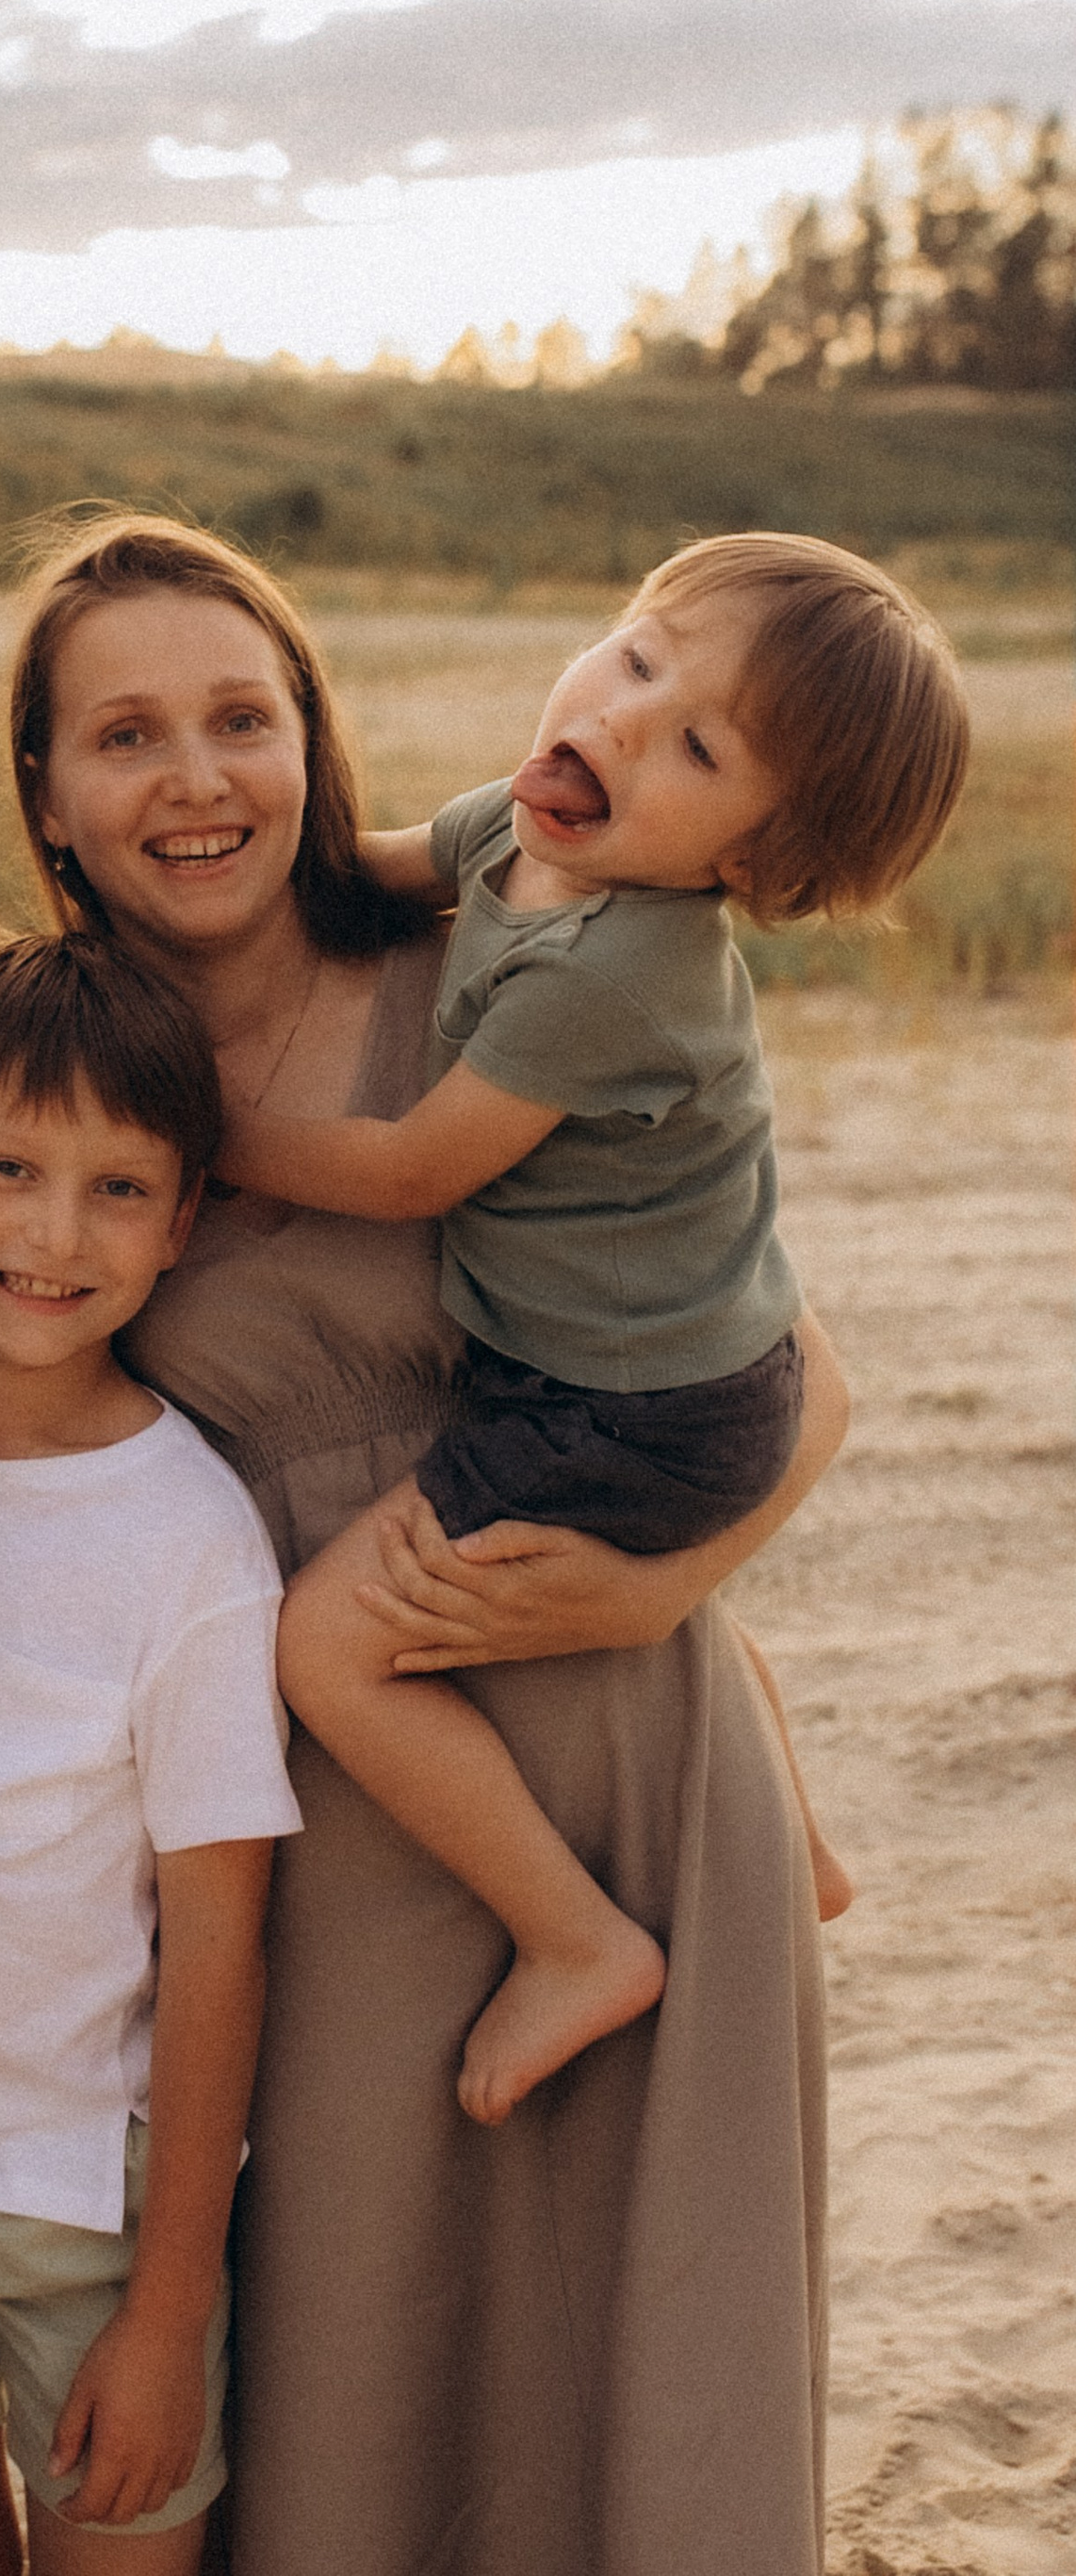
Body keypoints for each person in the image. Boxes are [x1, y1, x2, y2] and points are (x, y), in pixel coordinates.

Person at [11, 514, 848, 2576]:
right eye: (123, 734)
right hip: (326, 1807)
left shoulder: (489, 961)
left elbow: (788, 1368)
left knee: (645, 2368)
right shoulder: (49, 1071)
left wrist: (662, 1585)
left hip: (621, 1752)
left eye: (240, 716)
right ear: (43, 787)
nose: (194, 778)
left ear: (313, 734)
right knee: (368, 2355)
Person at [232, 533, 967, 2122]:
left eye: (700, 746)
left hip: (638, 1408)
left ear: (754, 870)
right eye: (637, 656)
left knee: (329, 1645)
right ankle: (804, 1841)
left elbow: (411, 1167)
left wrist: (188, 1124)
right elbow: (352, 871)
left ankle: (576, 1941)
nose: (626, 719)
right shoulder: (515, 828)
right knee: (676, 1601)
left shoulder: (624, 974)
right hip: (710, 1351)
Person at [0, 935, 300, 2576]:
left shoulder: (191, 1542)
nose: (50, 1234)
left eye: (115, 1188)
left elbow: (220, 1939)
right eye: (7, 1170)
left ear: (183, 1217)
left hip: (88, 2206)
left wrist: (170, 2311)